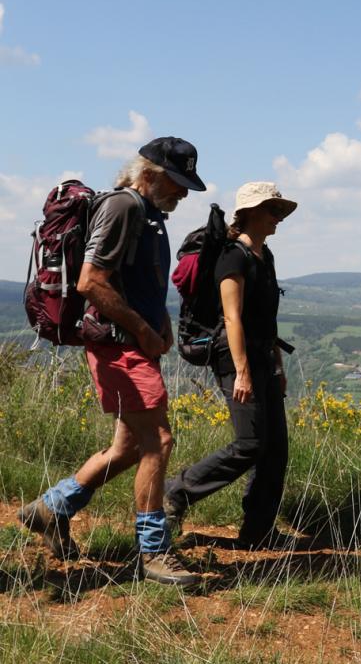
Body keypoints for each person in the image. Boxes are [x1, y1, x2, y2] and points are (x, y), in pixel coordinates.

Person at [18, 137, 207, 586]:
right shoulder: (125, 207)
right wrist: (142, 330)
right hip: (118, 344)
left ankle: (50, 509)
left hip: (132, 342)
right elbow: (91, 282)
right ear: (150, 175)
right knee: (158, 441)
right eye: (177, 183)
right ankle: (154, 552)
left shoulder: (150, 215)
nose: (182, 193)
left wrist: (160, 320)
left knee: (128, 448)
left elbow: (141, 282)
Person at [163, 181, 297, 548]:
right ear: (251, 212)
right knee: (250, 443)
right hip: (234, 356)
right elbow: (233, 317)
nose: (278, 218)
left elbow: (266, 322)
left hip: (262, 356)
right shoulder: (232, 256)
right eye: (274, 210)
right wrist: (242, 370)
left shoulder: (264, 256)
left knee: (275, 449)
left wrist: (277, 367)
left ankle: (258, 531)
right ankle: (176, 491)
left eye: (280, 211)